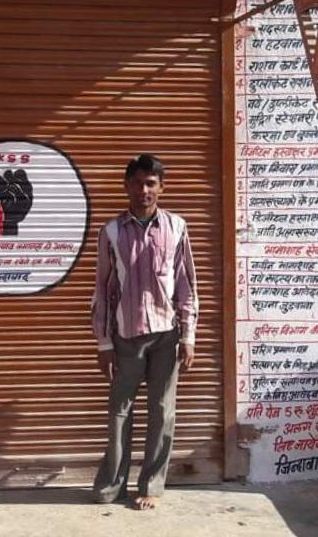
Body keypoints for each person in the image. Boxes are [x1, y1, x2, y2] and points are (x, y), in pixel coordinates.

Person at [91, 153, 199, 510]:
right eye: (137, 183)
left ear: (161, 188)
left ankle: (151, 487)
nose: (144, 189)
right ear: (126, 186)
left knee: (162, 411)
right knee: (119, 411)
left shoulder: (177, 227)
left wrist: (188, 336)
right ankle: (110, 487)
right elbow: (104, 291)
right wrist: (104, 342)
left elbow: (186, 285)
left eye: (151, 183)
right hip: (125, 336)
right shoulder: (110, 232)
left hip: (166, 336)